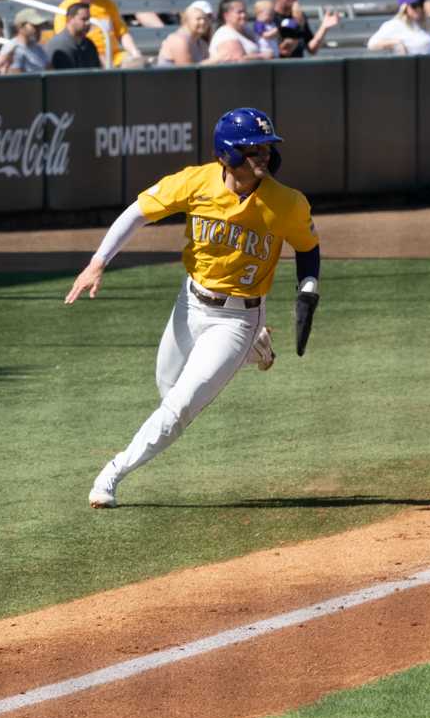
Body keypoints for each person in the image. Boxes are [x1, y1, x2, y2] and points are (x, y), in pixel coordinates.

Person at [67, 108, 320, 508]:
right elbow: (138, 213)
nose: (263, 156)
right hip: (190, 303)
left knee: (180, 406)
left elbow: (307, 248)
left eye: (267, 148)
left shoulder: (286, 203)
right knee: (166, 389)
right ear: (227, 154)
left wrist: (309, 289)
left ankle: (113, 473)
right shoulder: (195, 182)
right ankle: (258, 350)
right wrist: (98, 262)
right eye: (252, 149)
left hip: (238, 316)